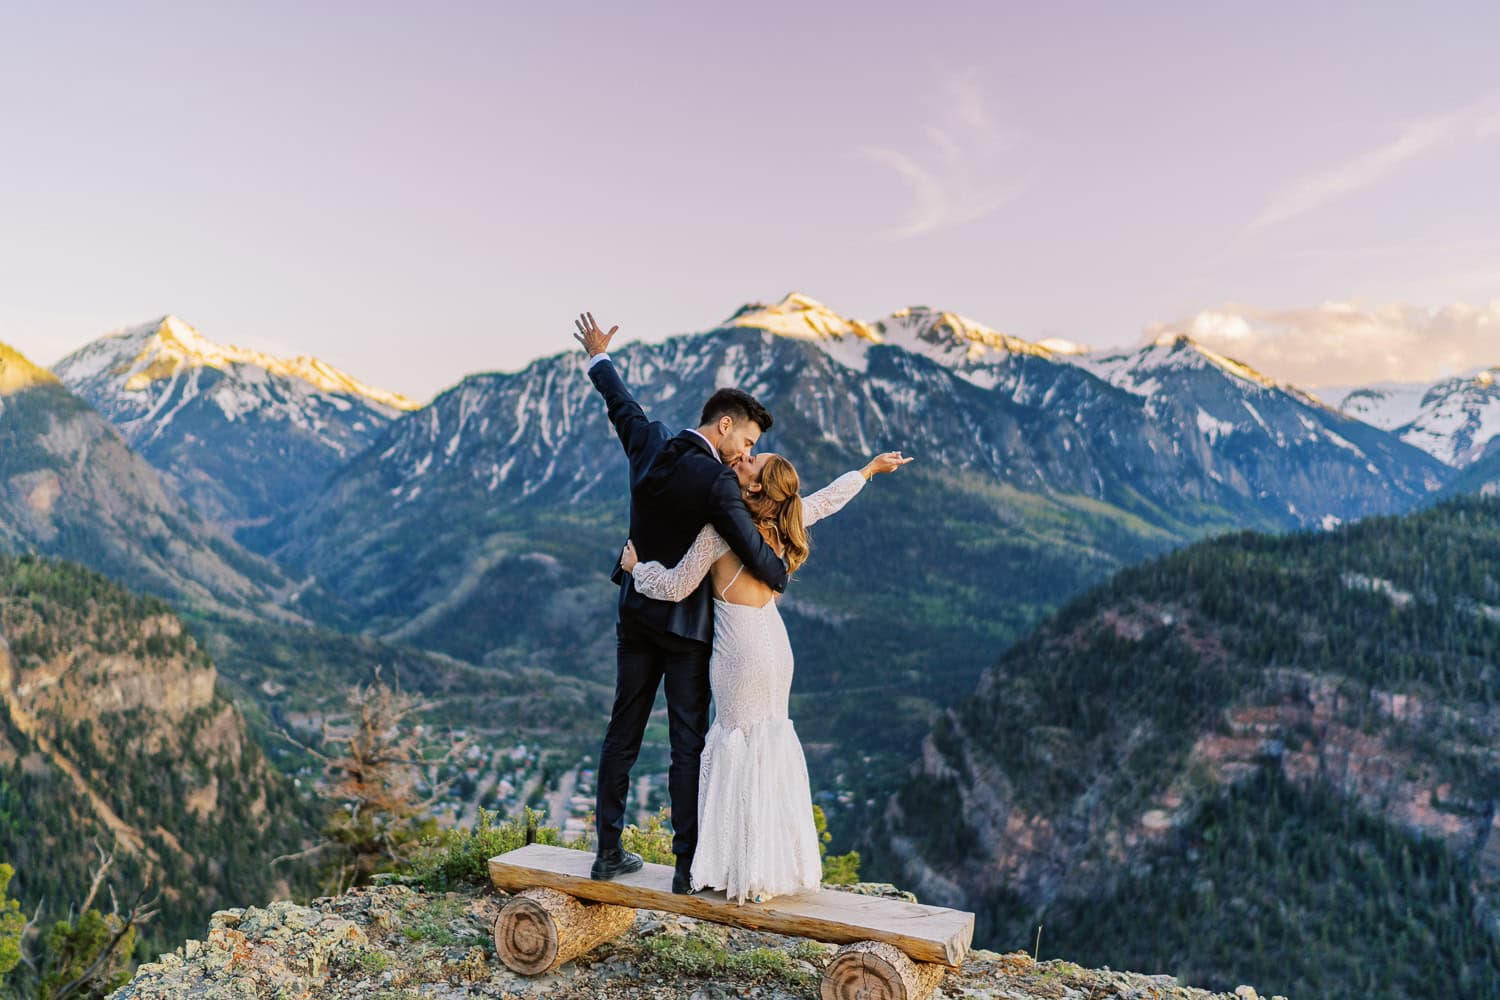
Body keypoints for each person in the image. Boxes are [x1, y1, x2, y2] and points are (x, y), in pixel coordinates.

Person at [621, 447, 912, 903]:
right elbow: (827, 500)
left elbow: (676, 586)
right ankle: (772, 864)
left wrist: (637, 569)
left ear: (755, 486)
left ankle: (737, 866)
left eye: (752, 463)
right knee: (769, 742)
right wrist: (868, 471)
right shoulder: (783, 523)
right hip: (776, 646)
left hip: (740, 650)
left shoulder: (722, 531)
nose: (743, 458)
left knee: (737, 741)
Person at [573, 311, 790, 895]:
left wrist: (599, 356)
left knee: (623, 731)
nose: (744, 455)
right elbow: (757, 557)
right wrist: (781, 569)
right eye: (745, 442)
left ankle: (608, 853)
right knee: (685, 746)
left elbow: (621, 403)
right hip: (689, 631)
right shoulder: (718, 484)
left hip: (635, 615)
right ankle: (686, 869)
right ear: (723, 426)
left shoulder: (649, 444)